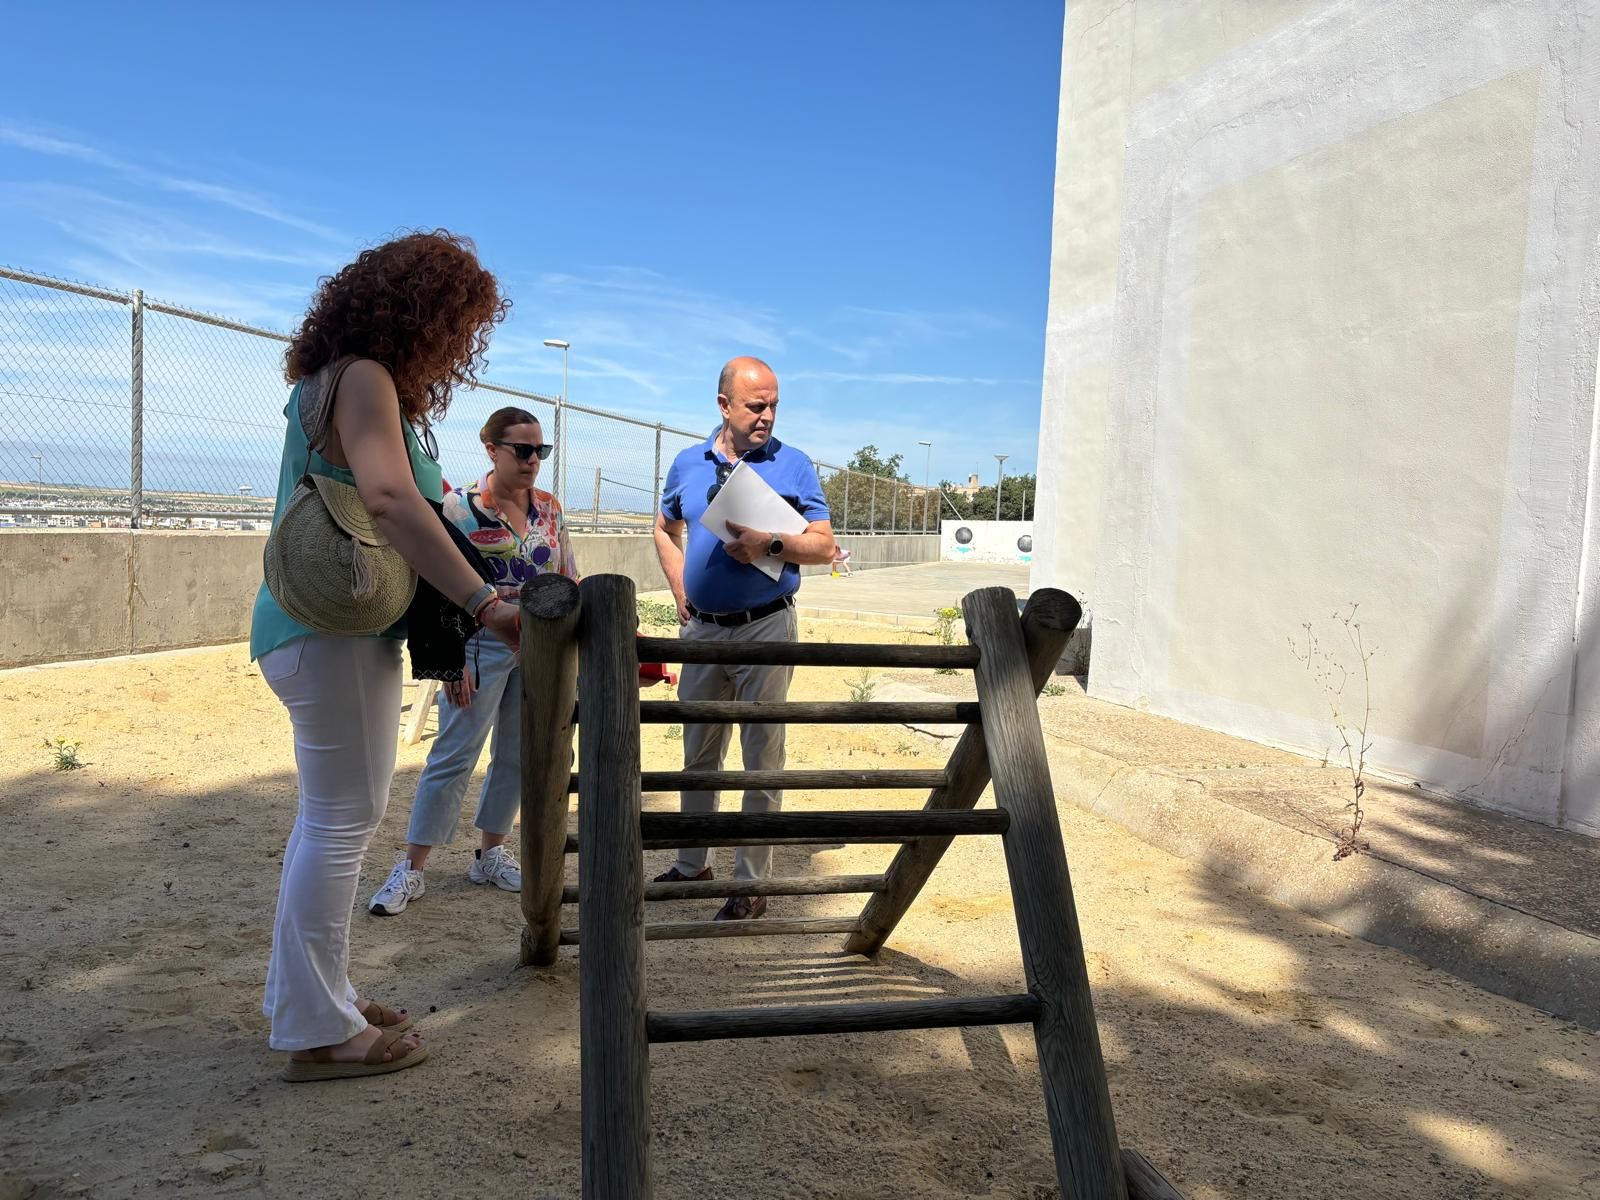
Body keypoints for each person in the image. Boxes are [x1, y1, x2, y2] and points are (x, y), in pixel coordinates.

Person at [249, 231, 518, 1081]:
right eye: (459, 326)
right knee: (338, 824)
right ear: (427, 317)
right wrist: (485, 604)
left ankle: (308, 1001)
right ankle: (319, 1036)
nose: (459, 345)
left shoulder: (325, 380)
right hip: (333, 636)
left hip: (311, 632)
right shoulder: (365, 376)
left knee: (323, 822)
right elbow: (393, 500)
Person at [368, 407, 578, 916]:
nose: (533, 461)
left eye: (540, 451)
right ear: (492, 449)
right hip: (478, 645)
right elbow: (434, 589)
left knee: (517, 754)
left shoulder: (549, 508)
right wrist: (449, 660)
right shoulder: (457, 507)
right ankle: (413, 868)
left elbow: (568, 574)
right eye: (522, 450)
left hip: (539, 647)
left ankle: (489, 853)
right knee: (454, 754)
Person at [652, 356, 836, 920]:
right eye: (756, 405)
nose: (767, 415)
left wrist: (771, 545)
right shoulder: (687, 463)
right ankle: (692, 864)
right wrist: (682, 588)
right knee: (698, 753)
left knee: (761, 756)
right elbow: (664, 527)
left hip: (766, 625)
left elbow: (825, 546)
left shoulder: (795, 464)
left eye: (774, 404)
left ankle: (752, 883)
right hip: (702, 631)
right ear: (723, 405)